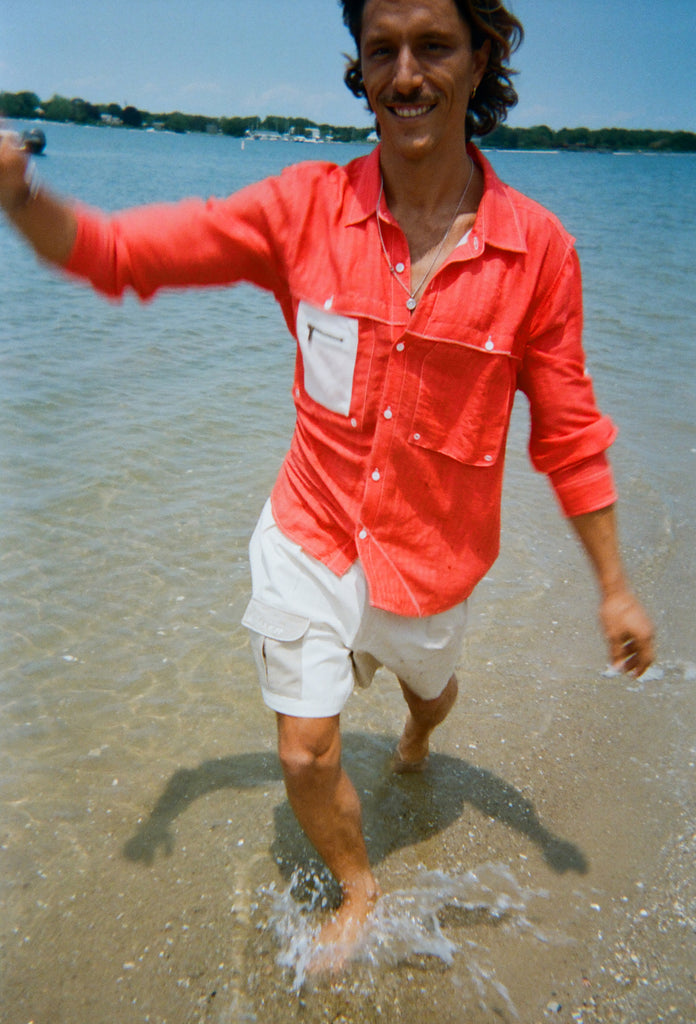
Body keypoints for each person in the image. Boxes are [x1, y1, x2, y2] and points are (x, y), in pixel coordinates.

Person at [0, 0, 654, 971]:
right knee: (305, 747)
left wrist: (613, 585)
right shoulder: (302, 210)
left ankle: (422, 725)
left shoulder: (539, 253)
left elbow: (568, 431)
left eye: (433, 46)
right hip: (310, 530)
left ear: (482, 59)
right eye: (381, 49)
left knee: (431, 695)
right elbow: (125, 255)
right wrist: (21, 197)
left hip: (433, 562)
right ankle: (358, 887)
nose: (405, 74)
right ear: (359, 65)